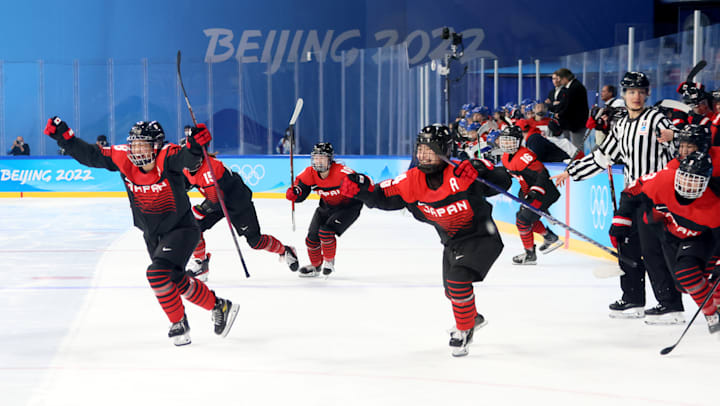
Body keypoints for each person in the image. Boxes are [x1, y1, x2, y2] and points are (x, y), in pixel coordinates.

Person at [43, 117, 239, 346]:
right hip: (152, 234)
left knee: (156, 274)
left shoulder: (168, 156)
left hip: (182, 229)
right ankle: (220, 306)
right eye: (134, 144)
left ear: (156, 145)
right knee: (176, 280)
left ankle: (179, 323)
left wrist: (196, 146)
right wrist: (65, 138)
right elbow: (91, 155)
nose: (136, 150)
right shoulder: (121, 156)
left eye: (143, 144)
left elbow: (187, 157)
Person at [339, 124, 512, 357]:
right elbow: (382, 197)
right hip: (452, 243)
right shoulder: (411, 181)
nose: (423, 154)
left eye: (430, 149)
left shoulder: (462, 172)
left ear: (445, 150)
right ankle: (472, 318)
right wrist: (360, 189)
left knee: (458, 279)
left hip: (482, 237)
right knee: (452, 291)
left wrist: (481, 172)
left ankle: (464, 330)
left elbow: (502, 179)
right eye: (420, 149)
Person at [551, 71, 685, 324]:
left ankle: (670, 304)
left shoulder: (656, 119)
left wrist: (675, 137)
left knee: (652, 249)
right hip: (630, 193)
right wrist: (570, 172)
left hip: (654, 195)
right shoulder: (621, 124)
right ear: (624, 95)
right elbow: (603, 156)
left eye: (640, 91)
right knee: (626, 245)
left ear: (647, 94)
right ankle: (633, 298)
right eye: (631, 92)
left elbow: (683, 144)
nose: (636, 96)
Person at [611, 152, 720, 334]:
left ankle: (712, 315)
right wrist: (621, 222)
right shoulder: (662, 180)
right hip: (671, 236)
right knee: (683, 286)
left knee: (688, 274)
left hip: (702, 238)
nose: (688, 184)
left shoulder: (714, 205)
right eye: (686, 177)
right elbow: (631, 192)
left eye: (696, 180)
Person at [182, 136, 299, 281]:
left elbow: (214, 199)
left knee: (255, 241)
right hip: (217, 202)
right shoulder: (187, 168)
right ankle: (201, 264)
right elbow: (184, 186)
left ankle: (285, 251)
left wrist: (198, 211)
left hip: (237, 203)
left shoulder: (211, 168)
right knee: (192, 226)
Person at [285, 142, 363, 277]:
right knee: (311, 239)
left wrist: (358, 186)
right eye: (316, 157)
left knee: (326, 232)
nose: (318, 161)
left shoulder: (341, 173)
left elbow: (360, 183)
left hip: (348, 208)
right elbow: (301, 189)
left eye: (322, 158)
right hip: (326, 206)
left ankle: (329, 261)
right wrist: (295, 193)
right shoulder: (309, 173)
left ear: (330, 159)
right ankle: (315, 266)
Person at [496, 125, 563, 264]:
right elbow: (511, 173)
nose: (507, 144)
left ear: (518, 141)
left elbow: (542, 173)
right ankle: (549, 236)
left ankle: (530, 255)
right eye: (505, 140)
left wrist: (535, 190)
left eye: (510, 140)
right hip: (528, 192)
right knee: (523, 218)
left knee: (522, 221)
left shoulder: (525, 156)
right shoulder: (506, 157)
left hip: (542, 193)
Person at [554, 68, 589, 151]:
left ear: (565, 78)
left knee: (577, 147)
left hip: (577, 124)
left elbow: (570, 106)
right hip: (574, 123)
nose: (559, 82)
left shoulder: (575, 87)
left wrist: (559, 114)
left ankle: (579, 161)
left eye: (560, 79)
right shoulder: (573, 87)